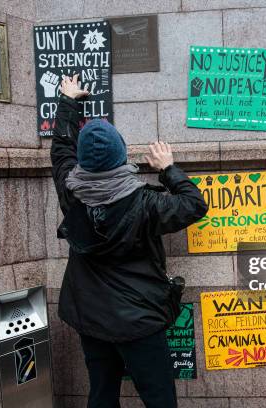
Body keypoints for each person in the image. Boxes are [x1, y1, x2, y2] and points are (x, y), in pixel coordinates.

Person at [50, 74, 208, 408]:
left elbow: (61, 147)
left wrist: (68, 100)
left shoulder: (70, 189)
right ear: (122, 154)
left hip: (90, 317)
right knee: (159, 398)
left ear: (83, 160)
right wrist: (168, 169)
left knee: (102, 394)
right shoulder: (146, 203)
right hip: (139, 322)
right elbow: (194, 205)